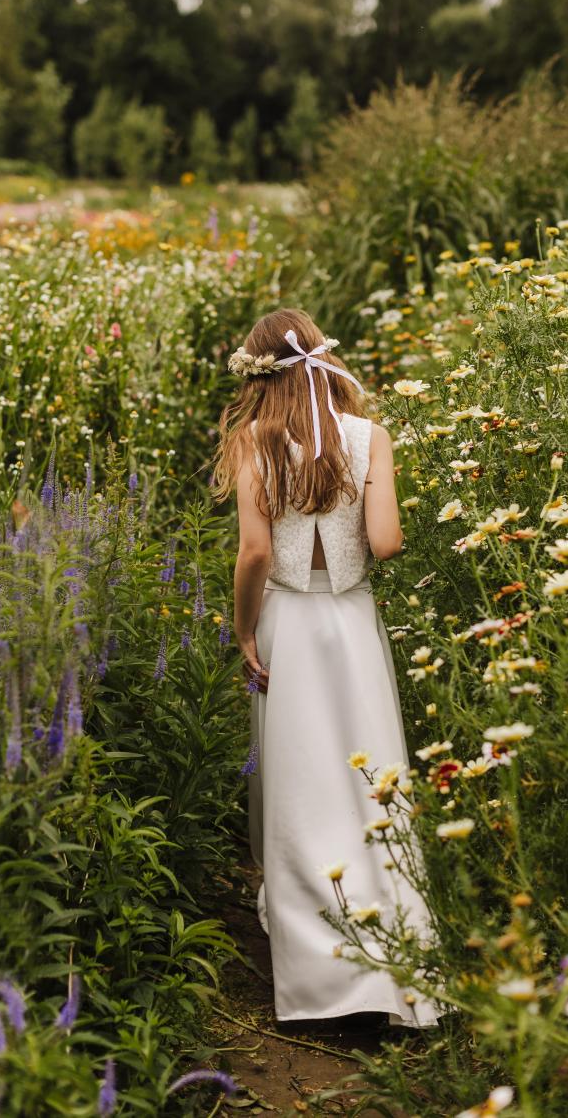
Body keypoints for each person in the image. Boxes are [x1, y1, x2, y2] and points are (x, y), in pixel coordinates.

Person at [213, 307, 439, 1027]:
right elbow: (388, 540)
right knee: (371, 782)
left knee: (301, 783)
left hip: (289, 623)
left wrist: (245, 631)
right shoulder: (368, 436)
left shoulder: (254, 441)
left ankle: (318, 980)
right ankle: (399, 966)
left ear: (259, 377)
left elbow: (254, 553)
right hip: (350, 622)